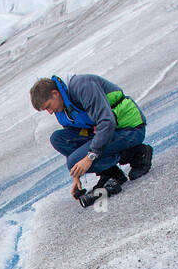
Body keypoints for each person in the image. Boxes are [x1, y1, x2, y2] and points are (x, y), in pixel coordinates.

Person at [30, 75, 153, 206]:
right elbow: (73, 136)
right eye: (46, 110)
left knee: (74, 161)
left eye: (48, 106)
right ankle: (111, 174)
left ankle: (137, 153)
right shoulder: (62, 105)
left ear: (55, 93)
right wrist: (76, 175)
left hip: (129, 129)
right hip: (106, 133)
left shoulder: (83, 86)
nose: (50, 112)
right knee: (58, 139)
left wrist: (89, 158)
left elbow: (107, 122)